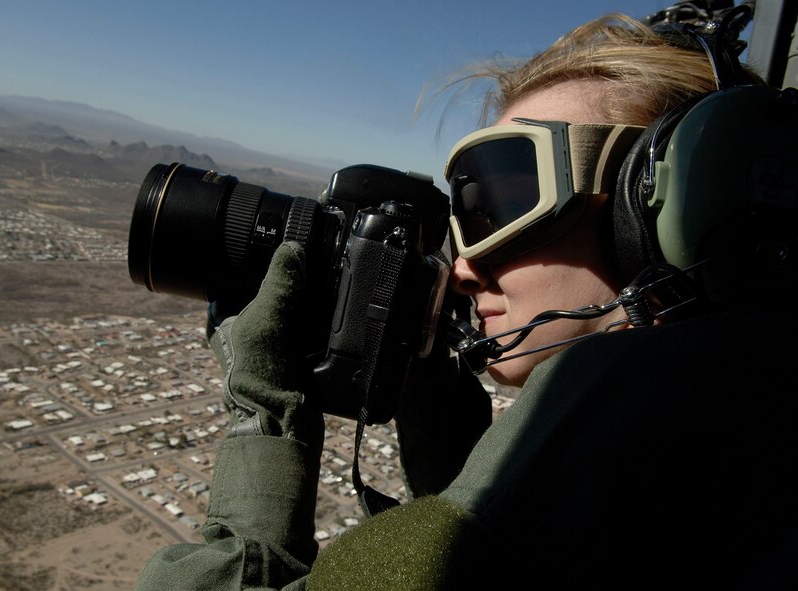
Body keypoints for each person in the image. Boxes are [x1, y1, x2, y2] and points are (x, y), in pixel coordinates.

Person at [135, 5, 798, 590]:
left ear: (661, 212)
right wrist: (434, 401)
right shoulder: (733, 436)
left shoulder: (615, 459)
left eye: (503, 207)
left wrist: (262, 414)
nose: (462, 268)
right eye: (465, 215)